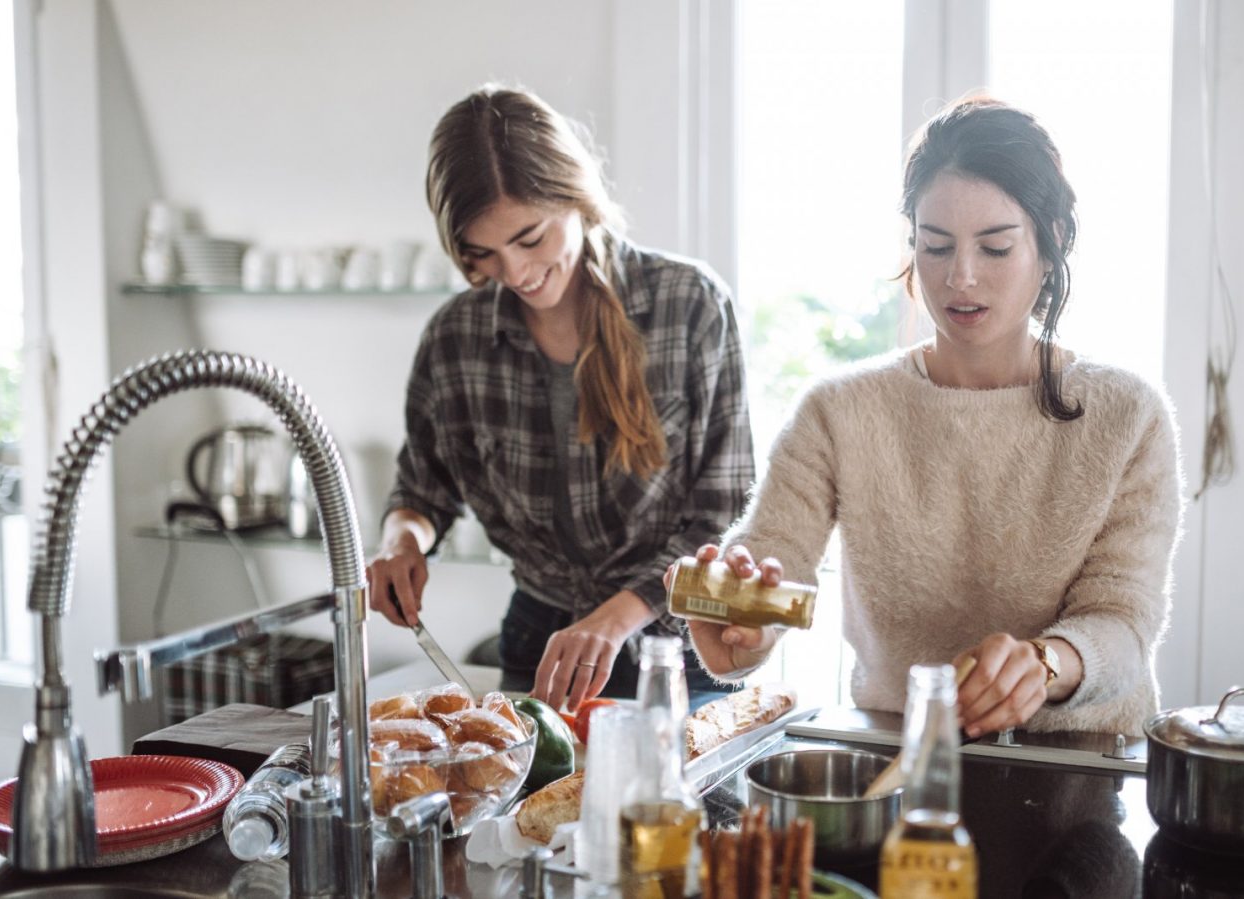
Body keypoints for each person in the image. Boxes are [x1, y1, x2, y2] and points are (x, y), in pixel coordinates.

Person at [676, 97, 1183, 738]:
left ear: (1051, 243)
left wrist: (1048, 664)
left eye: (995, 248)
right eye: (935, 246)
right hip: (900, 754)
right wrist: (741, 625)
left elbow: (1123, 617)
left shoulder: (1128, 415)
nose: (960, 278)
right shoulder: (839, 411)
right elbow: (774, 554)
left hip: (1082, 761)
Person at [370, 85, 754, 713]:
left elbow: (724, 517)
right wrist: (401, 541)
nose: (516, 273)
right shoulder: (454, 338)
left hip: (681, 652)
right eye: (483, 254)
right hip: (539, 648)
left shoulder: (690, 306)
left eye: (530, 237)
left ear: (576, 197)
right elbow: (421, 489)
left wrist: (613, 617)